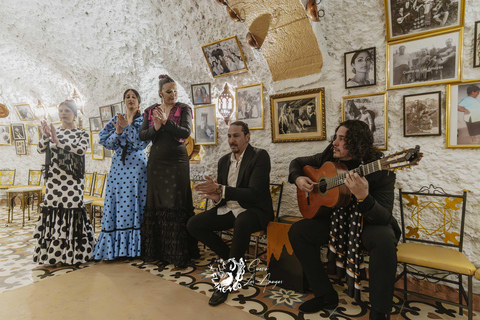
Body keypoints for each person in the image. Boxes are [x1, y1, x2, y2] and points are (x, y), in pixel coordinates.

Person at [288, 120, 400, 319]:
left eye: (342, 139)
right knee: (298, 231)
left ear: (357, 144)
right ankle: (325, 294)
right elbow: (296, 162)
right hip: (336, 222)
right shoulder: (329, 155)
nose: (335, 143)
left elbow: (383, 216)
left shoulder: (380, 168)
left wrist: (364, 197)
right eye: (335, 137)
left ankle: (379, 312)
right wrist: (298, 178)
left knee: (384, 240)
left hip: (366, 223)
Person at [187, 121, 273, 307]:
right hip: (230, 208)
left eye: (236, 136)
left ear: (247, 137)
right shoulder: (223, 160)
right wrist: (216, 197)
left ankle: (229, 278)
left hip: (254, 210)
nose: (231, 140)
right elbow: (224, 196)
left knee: (242, 221)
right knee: (193, 224)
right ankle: (233, 259)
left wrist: (221, 189)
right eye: (229, 136)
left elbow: (255, 194)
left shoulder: (260, 156)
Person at [139, 74, 199, 268]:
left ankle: (180, 252)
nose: (173, 94)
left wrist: (166, 122)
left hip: (177, 160)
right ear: (160, 93)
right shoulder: (149, 111)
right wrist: (156, 127)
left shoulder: (184, 109)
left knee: (176, 201)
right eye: (168, 91)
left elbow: (185, 132)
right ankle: (158, 251)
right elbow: (142, 136)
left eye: (175, 91)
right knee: (157, 203)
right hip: (156, 161)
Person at [33, 100, 95, 265]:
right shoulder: (54, 131)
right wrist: (46, 136)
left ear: (75, 113)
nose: (63, 113)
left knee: (73, 212)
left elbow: (81, 150)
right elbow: (40, 149)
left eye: (67, 110)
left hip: (73, 180)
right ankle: (55, 255)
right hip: (54, 179)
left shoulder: (81, 133)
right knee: (54, 212)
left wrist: (58, 142)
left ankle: (75, 254)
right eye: (60, 110)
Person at [92, 89, 149, 260]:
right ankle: (116, 249)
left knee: (136, 202)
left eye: (133, 97)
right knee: (116, 202)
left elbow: (140, 143)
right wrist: (117, 132)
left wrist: (127, 128)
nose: (130, 99)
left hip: (137, 168)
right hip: (118, 168)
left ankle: (136, 248)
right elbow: (104, 141)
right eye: (127, 97)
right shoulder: (115, 119)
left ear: (139, 102)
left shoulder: (144, 121)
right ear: (124, 101)